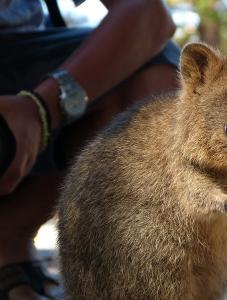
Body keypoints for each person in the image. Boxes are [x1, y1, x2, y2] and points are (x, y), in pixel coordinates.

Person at [0, 0, 180, 299]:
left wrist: (40, 109)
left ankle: (9, 239)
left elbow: (150, 15)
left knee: (153, 67)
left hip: (18, 77)